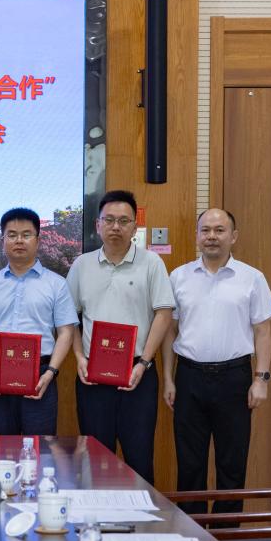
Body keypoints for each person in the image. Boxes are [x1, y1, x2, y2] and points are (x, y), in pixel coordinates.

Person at [161, 208, 271, 514]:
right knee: (189, 466)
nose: (212, 236)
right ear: (197, 236)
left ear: (233, 236)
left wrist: (261, 379)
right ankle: (193, 532)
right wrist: (169, 379)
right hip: (189, 377)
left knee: (232, 465)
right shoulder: (179, 277)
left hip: (234, 378)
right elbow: (169, 331)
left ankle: (227, 537)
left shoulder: (252, 278)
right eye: (206, 230)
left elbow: (263, 331)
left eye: (219, 230)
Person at [66, 190, 174, 484]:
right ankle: (96, 515)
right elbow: (68, 317)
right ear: (97, 225)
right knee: (95, 458)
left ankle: (142, 514)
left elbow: (163, 314)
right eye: (109, 220)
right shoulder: (81, 265)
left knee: (139, 458)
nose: (116, 227)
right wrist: (79, 357)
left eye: (124, 221)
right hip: (92, 376)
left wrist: (145, 363)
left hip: (138, 373)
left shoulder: (152, 263)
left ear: (134, 227)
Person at [0, 208, 77, 435]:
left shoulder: (57, 284)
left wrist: (51, 372)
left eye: (26, 234)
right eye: (12, 235)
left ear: (38, 240)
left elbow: (66, 333)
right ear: (3, 241)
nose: (19, 240)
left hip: (41, 375)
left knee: (40, 448)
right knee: (1, 447)